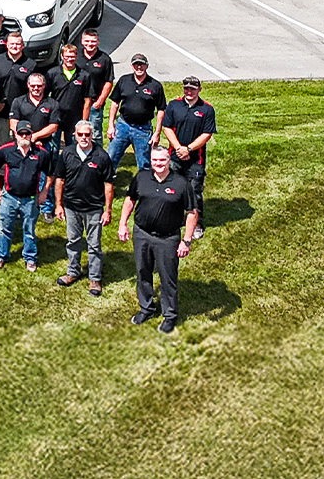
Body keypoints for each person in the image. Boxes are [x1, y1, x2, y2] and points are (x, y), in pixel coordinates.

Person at [119, 145, 197, 332]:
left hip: (168, 238)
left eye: (162, 160)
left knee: (167, 277)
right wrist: (122, 224)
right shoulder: (141, 177)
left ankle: (169, 315)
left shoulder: (181, 183)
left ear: (169, 160)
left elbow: (192, 213)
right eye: (155, 160)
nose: (158, 164)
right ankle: (146, 308)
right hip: (142, 234)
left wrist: (186, 240)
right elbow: (130, 200)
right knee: (142, 271)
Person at [53, 120, 116, 296]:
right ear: (74, 135)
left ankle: (94, 278)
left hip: (93, 208)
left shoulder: (102, 156)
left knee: (94, 244)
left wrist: (107, 210)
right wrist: (58, 205)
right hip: (71, 207)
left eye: (87, 134)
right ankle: (73, 272)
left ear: (92, 135)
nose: (83, 138)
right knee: (73, 241)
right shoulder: (67, 153)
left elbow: (108, 184)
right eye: (80, 134)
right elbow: (59, 180)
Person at [158, 76, 217, 238]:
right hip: (174, 157)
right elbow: (167, 128)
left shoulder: (206, 109)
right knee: (172, 189)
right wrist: (178, 148)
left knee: (194, 191)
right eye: (186, 88)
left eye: (192, 88)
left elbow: (207, 134)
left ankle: (197, 224)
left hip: (195, 160)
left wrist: (188, 149)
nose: (189, 91)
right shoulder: (174, 105)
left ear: (199, 89)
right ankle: (172, 220)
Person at [0, 124, 50, 271]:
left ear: (31, 135)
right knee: (4, 228)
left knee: (29, 230)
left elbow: (50, 174)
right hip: (9, 197)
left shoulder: (41, 154)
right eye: (21, 134)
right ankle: (1, 256)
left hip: (30, 199)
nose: (24, 137)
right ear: (15, 135)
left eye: (27, 134)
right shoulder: (6, 150)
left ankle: (30, 258)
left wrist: (44, 192)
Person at [105, 54, 167, 174]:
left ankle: (143, 188)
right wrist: (111, 125)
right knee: (110, 157)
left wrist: (157, 133)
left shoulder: (155, 85)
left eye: (141, 64)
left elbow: (161, 110)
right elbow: (114, 103)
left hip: (142, 130)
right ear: (131, 66)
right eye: (136, 64)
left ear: (146, 66)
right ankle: (105, 184)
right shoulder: (124, 81)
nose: (139, 67)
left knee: (144, 163)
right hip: (123, 126)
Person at [43, 43, 94, 146]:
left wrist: (83, 122)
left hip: (74, 118)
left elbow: (87, 101)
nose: (69, 59)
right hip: (55, 117)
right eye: (67, 56)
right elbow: (44, 97)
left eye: (72, 56)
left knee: (73, 148)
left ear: (76, 56)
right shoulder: (52, 73)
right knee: (53, 149)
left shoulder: (84, 76)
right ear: (62, 56)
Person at [75, 29, 116, 137]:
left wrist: (100, 101)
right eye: (87, 41)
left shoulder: (104, 59)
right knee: (75, 134)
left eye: (93, 41)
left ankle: (96, 154)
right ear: (82, 41)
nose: (90, 44)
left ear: (98, 42)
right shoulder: (76, 57)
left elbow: (109, 81)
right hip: (76, 103)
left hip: (94, 104)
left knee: (95, 134)